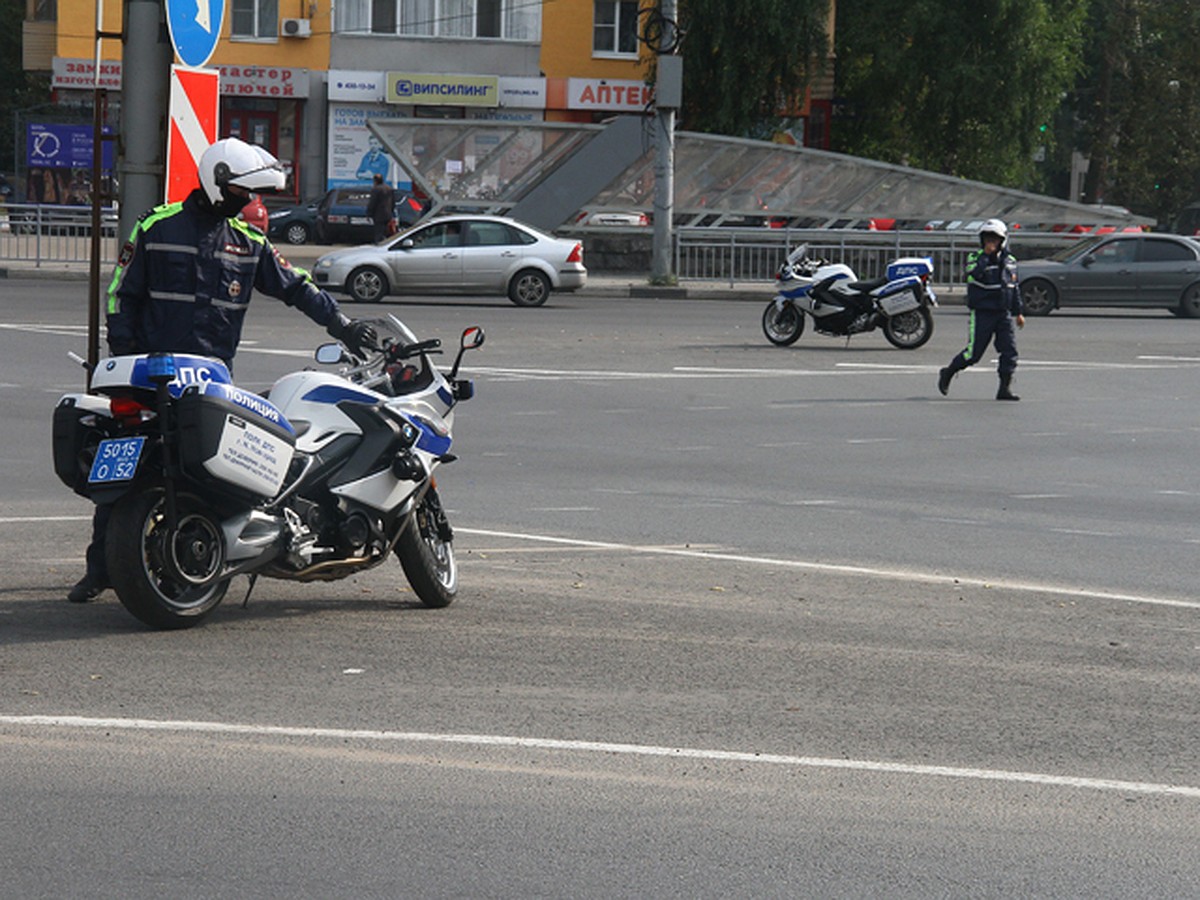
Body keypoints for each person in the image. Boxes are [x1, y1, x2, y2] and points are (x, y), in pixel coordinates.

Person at [68, 137, 377, 604]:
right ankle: (100, 570)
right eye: (241, 193)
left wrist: (344, 325)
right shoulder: (157, 225)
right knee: (123, 469)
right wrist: (124, 354)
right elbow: (120, 294)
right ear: (217, 184)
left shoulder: (249, 242)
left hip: (212, 380)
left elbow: (298, 288)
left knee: (217, 474)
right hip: (149, 374)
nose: (248, 201)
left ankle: (209, 556)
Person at [937, 218, 1025, 400]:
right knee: (973, 354)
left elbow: (1013, 286)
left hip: (1003, 313)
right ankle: (948, 372)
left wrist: (1019, 312)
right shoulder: (975, 258)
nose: (990, 242)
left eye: (994, 239)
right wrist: (986, 257)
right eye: (987, 238)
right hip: (983, 312)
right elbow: (973, 274)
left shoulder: (1010, 260)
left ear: (1002, 240)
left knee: (1009, 351)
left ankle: (1004, 389)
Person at [365, 173, 395, 243]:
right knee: (386, 232)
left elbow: (373, 202)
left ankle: (379, 246)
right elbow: (393, 202)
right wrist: (392, 212)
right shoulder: (389, 188)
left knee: (378, 233)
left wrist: (368, 213)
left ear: (375, 181)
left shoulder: (376, 189)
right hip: (388, 215)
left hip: (379, 215)